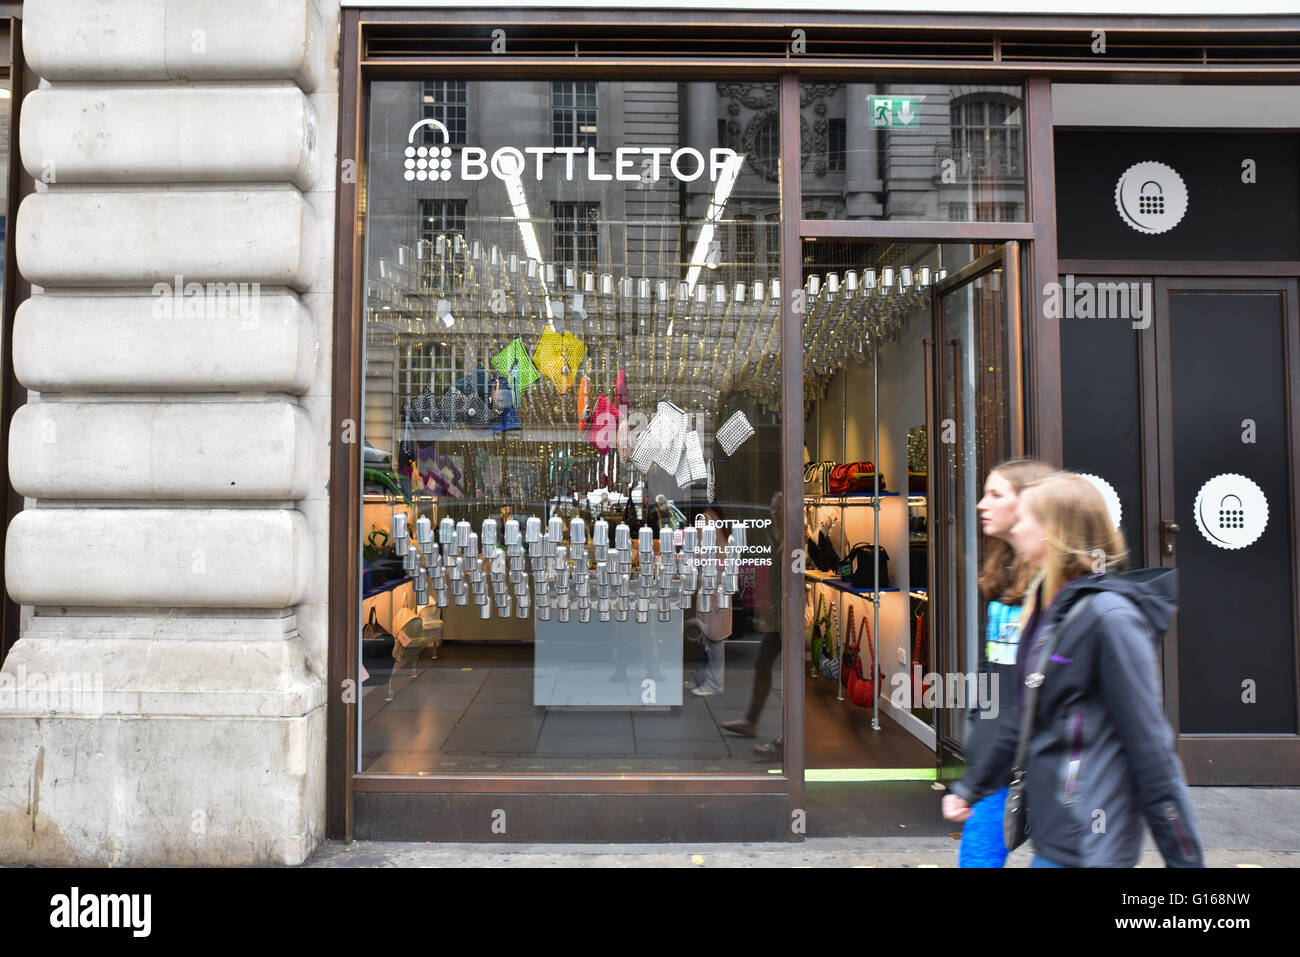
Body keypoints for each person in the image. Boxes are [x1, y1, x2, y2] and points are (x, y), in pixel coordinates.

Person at [942, 472, 1204, 868]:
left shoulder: (1108, 617)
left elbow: (1151, 751)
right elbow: (1026, 717)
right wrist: (973, 786)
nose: (1018, 525)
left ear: (1052, 532)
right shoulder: (1051, 611)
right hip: (1057, 840)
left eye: (1026, 517)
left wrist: (1186, 862)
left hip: (1089, 846)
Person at [957, 458, 1055, 868]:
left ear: (1032, 506)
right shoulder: (1007, 572)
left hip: (1053, 766)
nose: (982, 504)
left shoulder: (1058, 586)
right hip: (1002, 763)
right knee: (977, 856)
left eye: (996, 495)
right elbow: (997, 670)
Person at [721, 492, 783, 746]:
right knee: (763, 664)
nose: (773, 512)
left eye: (777, 508)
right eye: (772, 508)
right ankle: (752, 722)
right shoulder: (780, 537)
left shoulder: (792, 539)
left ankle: (784, 738)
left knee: (784, 671)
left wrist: (772, 613)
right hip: (781, 616)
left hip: (788, 617)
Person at [685, 506, 731, 696]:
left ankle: (715, 684)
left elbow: (701, 551)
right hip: (717, 583)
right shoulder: (717, 518)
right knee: (709, 635)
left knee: (713, 638)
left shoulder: (705, 519)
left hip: (712, 585)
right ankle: (701, 677)